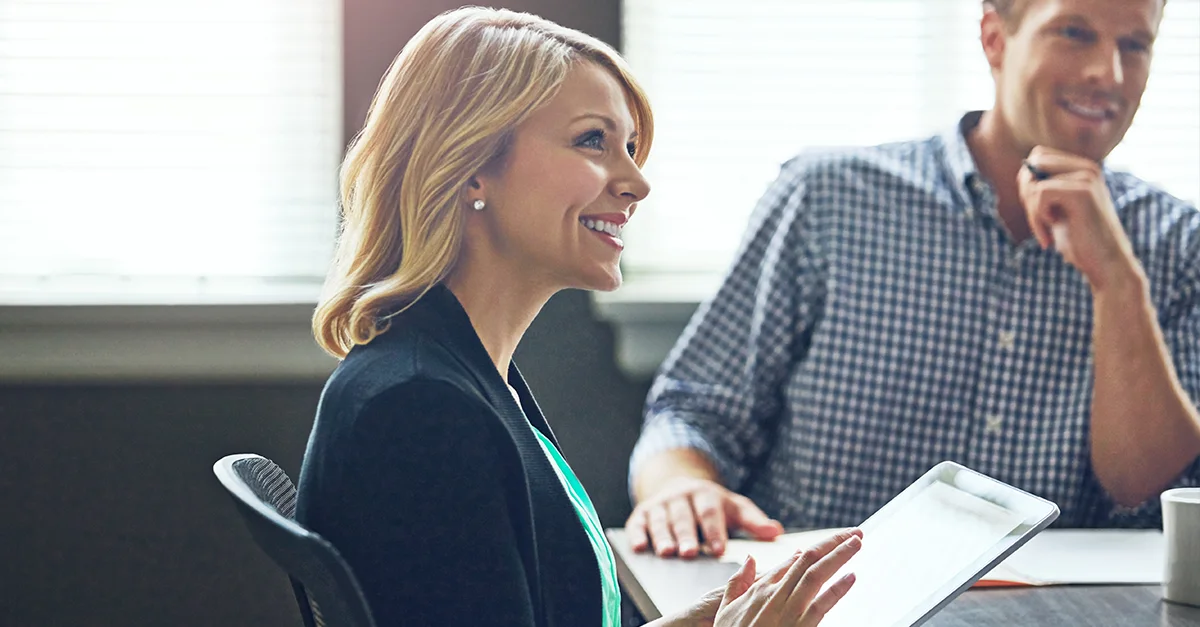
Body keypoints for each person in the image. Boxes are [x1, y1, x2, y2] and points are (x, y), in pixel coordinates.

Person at [295, 7, 863, 626]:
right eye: (593, 141)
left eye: (631, 148)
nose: (637, 183)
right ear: (471, 165)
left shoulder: (473, 377)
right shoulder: (421, 408)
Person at [627, 0, 1200, 559]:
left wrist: (1118, 281)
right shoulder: (829, 198)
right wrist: (681, 488)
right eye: (1074, 33)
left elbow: (1145, 492)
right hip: (826, 606)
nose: (1109, 72)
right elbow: (694, 411)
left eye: (1135, 44)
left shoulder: (1175, 243)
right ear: (995, 39)